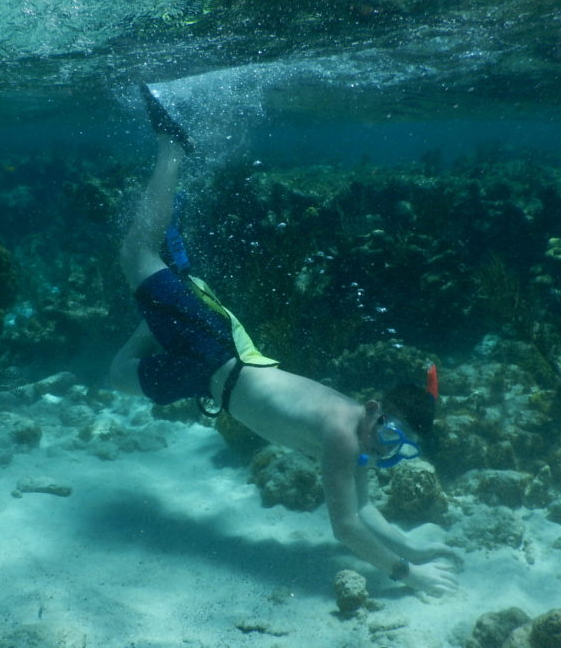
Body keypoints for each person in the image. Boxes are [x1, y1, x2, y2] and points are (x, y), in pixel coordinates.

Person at [110, 84, 461, 596]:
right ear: (371, 408)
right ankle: (173, 148)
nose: (384, 449)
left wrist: (419, 550)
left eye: (399, 448)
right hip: (217, 350)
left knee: (117, 378)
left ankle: (172, 287)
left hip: (205, 379)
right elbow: (345, 529)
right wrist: (408, 575)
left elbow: (366, 512)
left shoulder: (357, 440)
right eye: (389, 435)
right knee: (135, 252)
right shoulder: (345, 434)